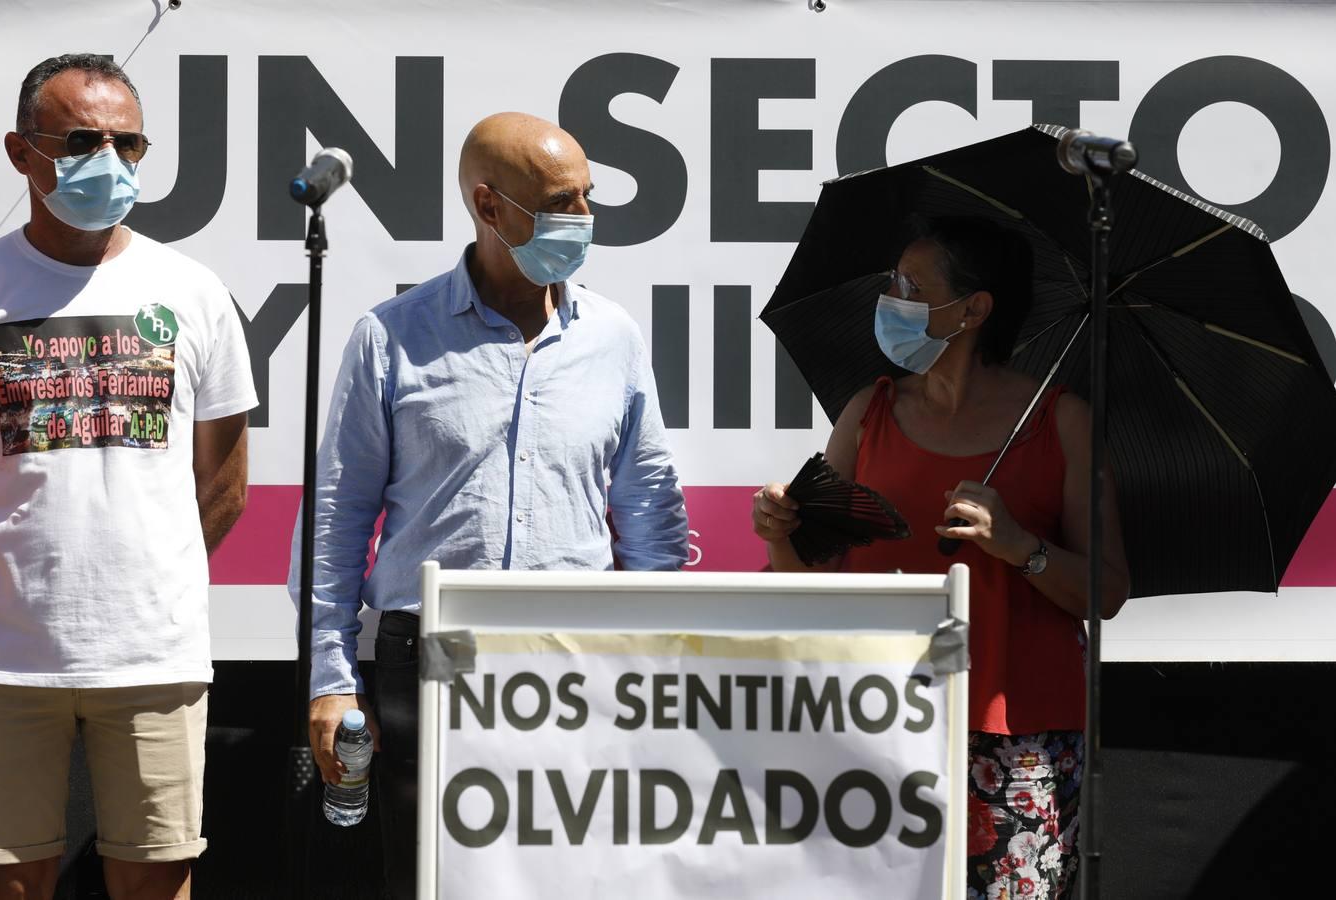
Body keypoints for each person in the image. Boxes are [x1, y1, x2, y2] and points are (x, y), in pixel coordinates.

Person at [293, 111, 688, 898]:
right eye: (561, 202)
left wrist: (663, 671)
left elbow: (650, 517)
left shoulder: (613, 337)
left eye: (588, 198)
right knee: (434, 880)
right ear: (489, 206)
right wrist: (331, 678)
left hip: (579, 668)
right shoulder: (393, 336)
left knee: (575, 881)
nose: (583, 221)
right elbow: (336, 522)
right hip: (435, 665)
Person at [0, 54, 256, 900]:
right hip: (1, 659)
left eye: (129, 143)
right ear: (20, 151)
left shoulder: (192, 292)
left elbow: (224, 481)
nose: (108, 163)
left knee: (158, 880)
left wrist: (152, 573)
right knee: (10, 885)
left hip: (154, 651)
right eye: (82, 141)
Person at [752, 216, 1129, 899]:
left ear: (973, 309)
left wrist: (1019, 546)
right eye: (891, 281)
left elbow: (1104, 592)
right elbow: (809, 589)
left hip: (1016, 746)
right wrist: (779, 532)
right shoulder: (868, 411)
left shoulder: (1062, 422)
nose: (890, 297)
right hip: (869, 722)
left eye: (909, 284)